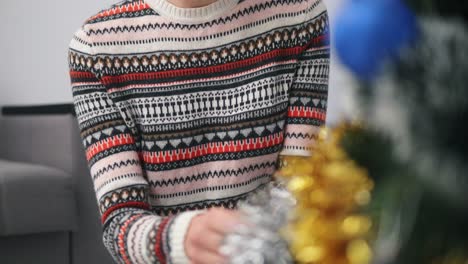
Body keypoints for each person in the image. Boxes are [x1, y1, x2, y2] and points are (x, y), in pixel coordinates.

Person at [68, 0, 329, 263]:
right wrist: (182, 238)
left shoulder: (301, 15)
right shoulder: (95, 47)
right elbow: (119, 224)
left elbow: (299, 190)